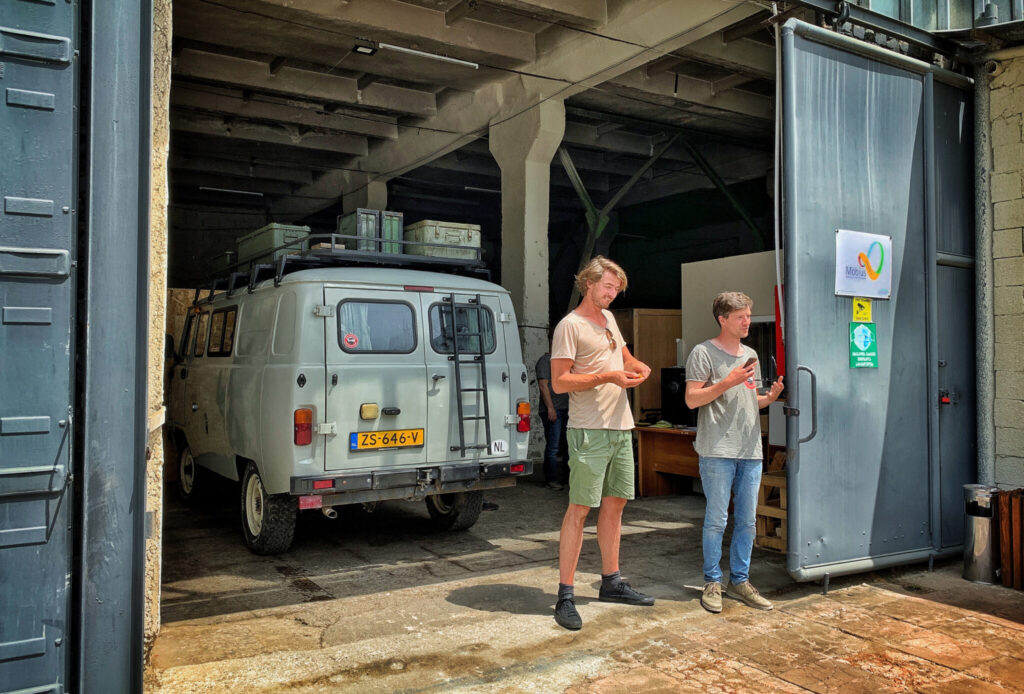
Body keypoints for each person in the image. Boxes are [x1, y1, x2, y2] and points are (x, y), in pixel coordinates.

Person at [549, 256, 654, 631]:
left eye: (616, 289)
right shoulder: (570, 326)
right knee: (579, 509)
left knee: (616, 505)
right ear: (588, 283)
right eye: (608, 287)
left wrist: (638, 365)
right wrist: (608, 377)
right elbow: (560, 382)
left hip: (620, 427)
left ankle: (611, 582)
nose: (612, 294)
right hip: (589, 430)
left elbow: (622, 357)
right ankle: (565, 595)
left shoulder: (608, 319)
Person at [684, 292, 784, 614]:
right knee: (717, 519)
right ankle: (712, 581)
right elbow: (692, 399)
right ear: (722, 319)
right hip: (717, 449)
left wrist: (769, 399)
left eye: (748, 316)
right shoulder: (703, 352)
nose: (747, 322)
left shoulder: (750, 354)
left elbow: (749, 400)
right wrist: (727, 381)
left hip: (750, 449)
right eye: (741, 317)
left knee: (747, 521)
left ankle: (740, 581)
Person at [536, 351, 569, 490]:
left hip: (567, 409)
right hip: (554, 411)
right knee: (553, 447)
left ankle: (567, 479)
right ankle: (552, 480)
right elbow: (543, 385)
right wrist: (550, 408)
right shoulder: (545, 361)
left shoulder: (565, 361)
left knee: (568, 446)